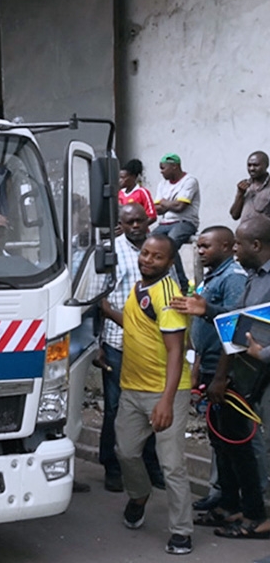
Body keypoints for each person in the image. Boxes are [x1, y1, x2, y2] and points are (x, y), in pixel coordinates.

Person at [115, 233, 193, 555]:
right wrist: (105, 310)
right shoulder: (138, 288)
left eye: (156, 257)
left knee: (172, 465)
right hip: (131, 388)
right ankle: (139, 495)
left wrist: (166, 400)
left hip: (166, 391)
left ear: (170, 263)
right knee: (126, 452)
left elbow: (176, 352)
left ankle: (181, 531)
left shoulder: (169, 295)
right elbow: (137, 327)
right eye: (145, 253)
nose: (147, 259)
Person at [168, 227, 247, 517]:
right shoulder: (211, 277)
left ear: (227, 246)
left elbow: (234, 325)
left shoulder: (233, 278)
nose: (200, 252)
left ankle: (233, 504)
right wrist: (197, 363)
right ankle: (222, 499)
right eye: (198, 247)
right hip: (207, 363)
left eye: (206, 247)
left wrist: (219, 377)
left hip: (223, 368)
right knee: (218, 440)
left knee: (230, 440)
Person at [92, 203, 164, 493]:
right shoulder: (109, 251)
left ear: (148, 220)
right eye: (129, 221)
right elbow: (97, 300)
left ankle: (150, 466)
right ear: (120, 223)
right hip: (117, 344)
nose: (135, 226)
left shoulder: (161, 248)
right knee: (115, 407)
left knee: (152, 408)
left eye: (140, 220)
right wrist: (96, 344)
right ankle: (112, 466)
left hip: (154, 347)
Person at [207, 215, 270, 539]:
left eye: (239, 245)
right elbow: (236, 327)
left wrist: (264, 354)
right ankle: (242, 508)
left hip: (262, 374)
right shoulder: (252, 276)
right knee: (236, 444)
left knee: (260, 447)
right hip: (246, 377)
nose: (235, 252)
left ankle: (261, 517)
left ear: (256, 245)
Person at [153, 153, 200, 291]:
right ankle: (159, 280)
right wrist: (170, 204)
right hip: (165, 223)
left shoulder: (190, 181)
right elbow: (158, 209)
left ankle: (182, 285)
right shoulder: (162, 184)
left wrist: (165, 203)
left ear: (174, 166)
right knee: (150, 241)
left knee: (170, 243)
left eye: (163, 168)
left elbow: (180, 207)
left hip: (185, 222)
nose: (161, 172)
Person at [229, 150, 270, 222]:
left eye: (256, 165)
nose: (252, 168)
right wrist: (240, 194)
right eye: (249, 165)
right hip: (243, 232)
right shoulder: (245, 186)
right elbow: (234, 215)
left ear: (266, 165)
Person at [119, 159, 157, 224]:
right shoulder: (120, 193)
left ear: (133, 177)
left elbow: (152, 216)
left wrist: (137, 228)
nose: (120, 180)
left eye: (123, 178)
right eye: (119, 177)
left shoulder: (142, 192)